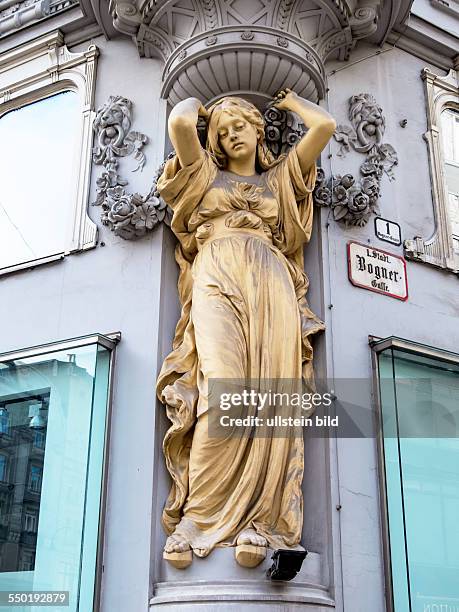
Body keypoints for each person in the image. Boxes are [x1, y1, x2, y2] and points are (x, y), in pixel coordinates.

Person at [156, 90, 336, 568]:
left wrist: (293, 102)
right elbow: (179, 124)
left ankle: (262, 520)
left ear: (259, 131)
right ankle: (198, 516)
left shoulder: (278, 180)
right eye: (223, 131)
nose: (232, 134)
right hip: (217, 273)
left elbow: (323, 127)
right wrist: (203, 105)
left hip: (271, 283)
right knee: (222, 390)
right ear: (213, 141)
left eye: (241, 126)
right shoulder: (203, 175)